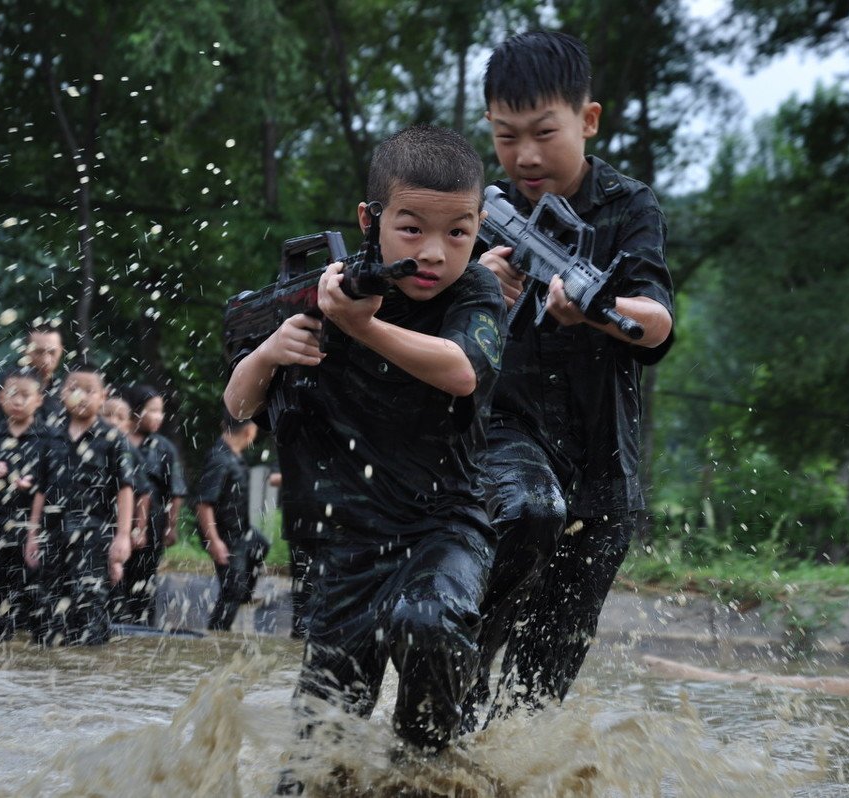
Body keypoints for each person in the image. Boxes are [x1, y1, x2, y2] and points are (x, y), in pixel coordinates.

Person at [223, 125, 506, 777]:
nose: (434, 252)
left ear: (478, 225)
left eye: (458, 233)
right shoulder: (320, 296)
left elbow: (462, 369)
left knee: (431, 623)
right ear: (370, 219)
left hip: (444, 526)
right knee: (321, 750)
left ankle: (424, 769)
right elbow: (239, 406)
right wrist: (270, 351)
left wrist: (363, 327)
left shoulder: (475, 293)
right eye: (411, 229)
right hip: (342, 548)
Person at [462, 30, 675, 727]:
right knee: (527, 511)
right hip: (506, 441)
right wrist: (473, 282)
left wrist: (595, 310)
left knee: (534, 701)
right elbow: (412, 296)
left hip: (601, 468)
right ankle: (446, 697)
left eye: (543, 133)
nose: (525, 155)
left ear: (588, 121)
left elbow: (658, 321)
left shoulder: (628, 204)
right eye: (505, 135)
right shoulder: (478, 207)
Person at [25, 366, 134, 646]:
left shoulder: (113, 439)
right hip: (53, 531)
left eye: (89, 390)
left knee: (90, 602)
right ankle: (48, 671)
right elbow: (40, 488)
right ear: (62, 394)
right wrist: (32, 534)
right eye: (74, 389)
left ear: (103, 397)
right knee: (48, 602)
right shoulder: (50, 437)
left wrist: (122, 536)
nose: (81, 396)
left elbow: (125, 488)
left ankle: (90, 674)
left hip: (94, 534)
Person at [0, 367, 51, 640]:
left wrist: (34, 484)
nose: (18, 401)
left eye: (25, 395)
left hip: (34, 529)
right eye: (12, 395)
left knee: (35, 591)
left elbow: (56, 485)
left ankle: (37, 657)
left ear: (39, 399)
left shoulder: (50, 439)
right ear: (1, 398)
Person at [115, 384, 186, 626]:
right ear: (135, 411)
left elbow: (176, 492)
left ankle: (143, 630)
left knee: (143, 581)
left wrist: (170, 526)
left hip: (150, 526)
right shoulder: (116, 441)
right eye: (152, 411)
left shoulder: (164, 448)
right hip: (112, 522)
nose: (158, 417)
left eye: (161, 412)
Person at [194, 413, 267, 631]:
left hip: (241, 531)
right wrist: (214, 540)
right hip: (224, 535)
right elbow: (203, 503)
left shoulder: (234, 456)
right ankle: (216, 635)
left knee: (260, 544)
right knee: (231, 590)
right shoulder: (219, 458)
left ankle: (243, 594)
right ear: (249, 431)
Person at [0, 322, 66, 428]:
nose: (46, 360)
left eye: (52, 352)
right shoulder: (7, 383)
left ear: (61, 351)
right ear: (26, 351)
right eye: (39, 352)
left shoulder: (64, 390)